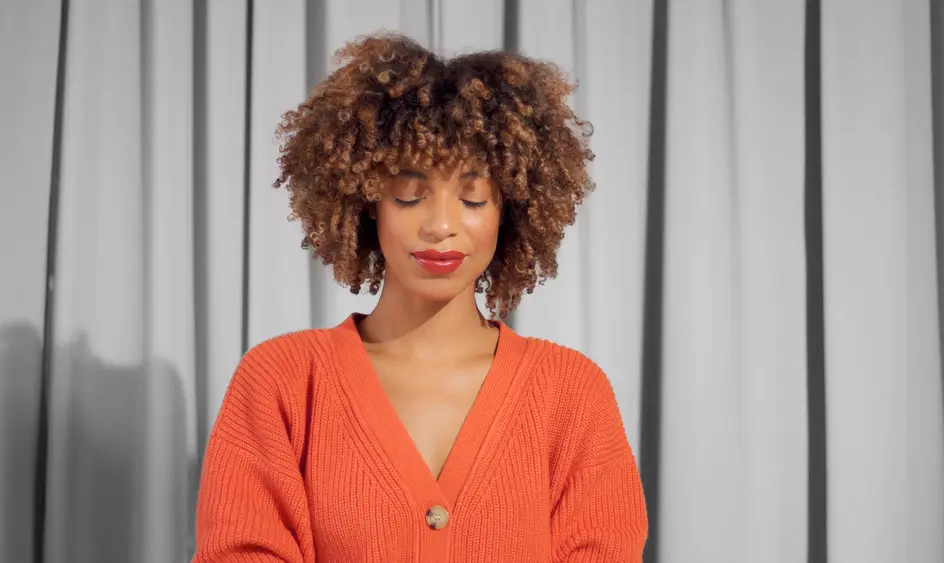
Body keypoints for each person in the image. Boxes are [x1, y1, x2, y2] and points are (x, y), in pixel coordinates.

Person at [193, 32, 647, 562]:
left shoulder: (571, 394)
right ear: (367, 200)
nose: (441, 226)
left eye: (473, 198)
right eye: (409, 195)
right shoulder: (283, 381)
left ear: (511, 208)